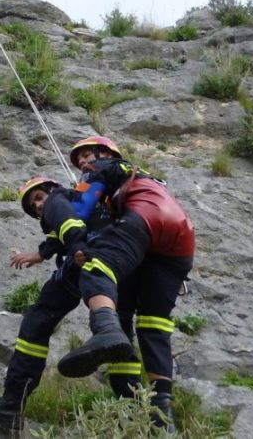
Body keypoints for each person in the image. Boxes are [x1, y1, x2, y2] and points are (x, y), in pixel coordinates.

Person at [57, 152, 195, 431]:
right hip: (178, 237)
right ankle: (160, 413)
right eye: (79, 160)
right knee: (153, 323)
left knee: (96, 267)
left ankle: (106, 331)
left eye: (87, 155)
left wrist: (60, 198)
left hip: (145, 217)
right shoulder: (140, 176)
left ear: (106, 154)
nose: (83, 163)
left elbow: (82, 206)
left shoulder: (103, 167)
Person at [0, 173, 103, 430]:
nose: (39, 205)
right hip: (98, 257)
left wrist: (79, 251)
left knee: (36, 322)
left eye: (39, 197)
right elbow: (64, 230)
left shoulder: (57, 199)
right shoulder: (72, 202)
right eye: (34, 205)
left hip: (82, 260)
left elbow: (71, 228)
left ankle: (12, 404)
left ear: (51, 189)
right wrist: (42, 254)